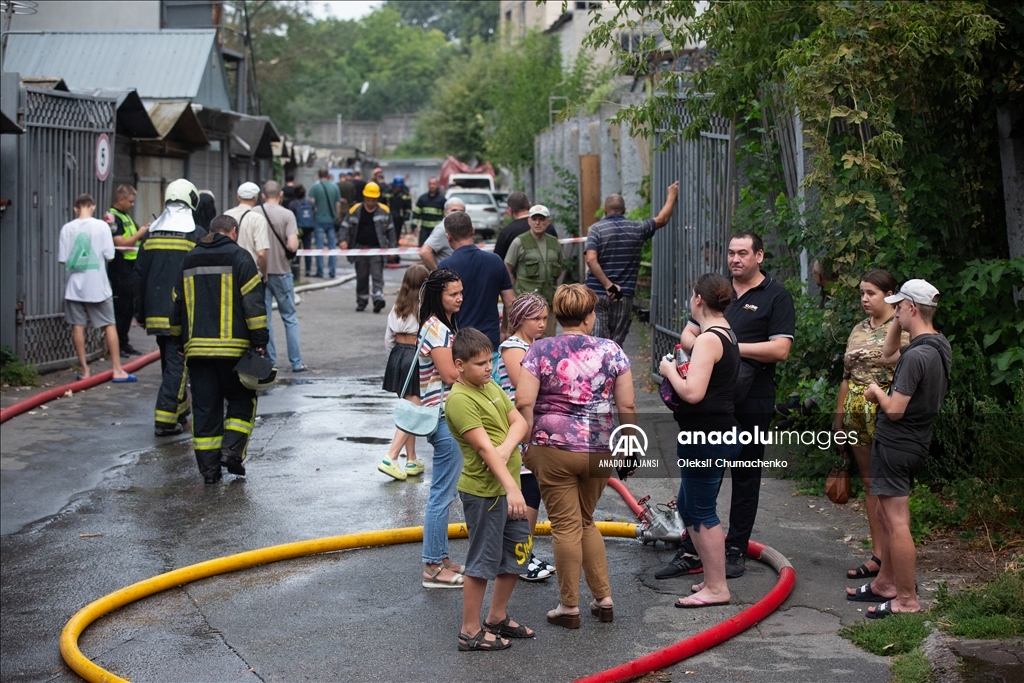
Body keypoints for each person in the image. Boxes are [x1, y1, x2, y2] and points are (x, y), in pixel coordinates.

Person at [661, 231, 795, 580]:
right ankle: (691, 550)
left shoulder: (776, 296)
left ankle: (735, 548)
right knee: (702, 476)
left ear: (759, 256)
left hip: (753, 398)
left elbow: (780, 349)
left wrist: (725, 346)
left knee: (745, 473)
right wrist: (718, 347)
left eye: (743, 253)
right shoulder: (719, 290)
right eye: (732, 253)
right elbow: (688, 335)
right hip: (714, 396)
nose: (735, 259)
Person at [515, 284, 636, 628]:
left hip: (553, 448)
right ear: (589, 316)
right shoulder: (611, 350)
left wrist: (525, 444)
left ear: (559, 315)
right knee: (584, 520)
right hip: (599, 448)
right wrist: (630, 449)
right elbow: (627, 405)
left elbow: (523, 402)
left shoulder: (540, 349)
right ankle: (604, 599)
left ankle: (569, 607)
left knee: (566, 525)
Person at [847, 279, 950, 619]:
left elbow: (894, 409)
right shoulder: (937, 344)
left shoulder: (917, 356)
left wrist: (875, 391)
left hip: (897, 443)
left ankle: (906, 598)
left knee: (896, 521)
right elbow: (888, 354)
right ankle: (885, 583)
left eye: (900, 307)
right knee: (883, 514)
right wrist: (897, 321)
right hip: (912, 442)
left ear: (913, 308)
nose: (895, 313)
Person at [446, 327, 534, 651]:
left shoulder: (489, 384)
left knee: (519, 550)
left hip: (507, 485)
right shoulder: (460, 400)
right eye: (480, 363)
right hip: (486, 492)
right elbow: (484, 449)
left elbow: (520, 423)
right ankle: (469, 632)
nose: (489, 368)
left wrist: (505, 450)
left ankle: (496, 618)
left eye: (490, 361)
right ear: (459, 365)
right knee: (483, 560)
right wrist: (512, 489)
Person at [657, 274, 741, 608]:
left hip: (708, 435)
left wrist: (668, 371)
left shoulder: (708, 339)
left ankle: (718, 588)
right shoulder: (725, 332)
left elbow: (693, 392)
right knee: (689, 506)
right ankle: (711, 578)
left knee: (702, 509)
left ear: (698, 300)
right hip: (711, 432)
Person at [170, 214, 269, 484]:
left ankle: (209, 472)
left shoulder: (189, 259)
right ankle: (232, 450)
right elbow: (253, 304)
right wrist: (260, 340)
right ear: (233, 232)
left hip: (198, 352)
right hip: (234, 352)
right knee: (242, 399)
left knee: (205, 409)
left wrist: (179, 341)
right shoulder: (240, 257)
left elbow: (177, 305)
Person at [834, 269, 908, 580]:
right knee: (869, 484)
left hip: (886, 412)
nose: (864, 298)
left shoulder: (902, 328)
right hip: (856, 414)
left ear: (890, 295)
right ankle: (878, 555)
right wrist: (838, 420)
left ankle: (896, 563)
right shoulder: (858, 329)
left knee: (889, 487)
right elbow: (847, 377)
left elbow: (910, 374)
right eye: (862, 293)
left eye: (871, 293)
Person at [135, 179, 207, 435]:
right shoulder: (196, 234)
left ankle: (180, 410)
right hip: (183, 313)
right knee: (178, 364)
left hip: (155, 312)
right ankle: (165, 419)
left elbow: (139, 274)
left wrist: (139, 312)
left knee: (170, 362)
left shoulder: (150, 234)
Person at [498, 293, 555, 582]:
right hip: (517, 428)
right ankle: (520, 557)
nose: (542, 324)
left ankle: (524, 553)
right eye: (536, 319)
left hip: (530, 426)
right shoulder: (513, 347)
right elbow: (524, 388)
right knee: (527, 491)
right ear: (520, 319)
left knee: (532, 491)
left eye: (545, 318)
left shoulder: (534, 346)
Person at [417, 268, 466, 588]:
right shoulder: (435, 328)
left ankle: (441, 558)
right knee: (442, 494)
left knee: (444, 492)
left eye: (461, 292)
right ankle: (433, 566)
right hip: (443, 416)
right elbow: (449, 374)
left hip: (446, 416)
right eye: (453, 294)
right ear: (438, 295)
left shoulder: (443, 326)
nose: (459, 298)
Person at [585, 182, 680, 344]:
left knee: (597, 341)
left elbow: (590, 259)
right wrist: (672, 195)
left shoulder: (596, 229)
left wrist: (608, 285)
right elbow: (662, 219)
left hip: (596, 293)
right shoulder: (637, 228)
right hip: (623, 295)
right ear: (624, 210)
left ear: (605, 210)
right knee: (616, 342)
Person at [58, 194, 135, 383]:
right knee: (109, 324)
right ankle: (117, 370)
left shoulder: (67, 228)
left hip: (74, 288)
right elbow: (110, 255)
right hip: (98, 286)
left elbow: (63, 259)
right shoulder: (102, 226)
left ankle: (85, 371)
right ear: (93, 207)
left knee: (78, 326)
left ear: (76, 209)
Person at [437, 211, 515, 359]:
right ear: (472, 230)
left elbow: (440, 308)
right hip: (490, 340)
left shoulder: (445, 266)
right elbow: (510, 302)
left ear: (448, 236)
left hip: (460, 344)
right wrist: (505, 329)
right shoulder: (495, 261)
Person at [378, 264, 430, 481]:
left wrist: (393, 359)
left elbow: (388, 338)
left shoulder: (397, 307)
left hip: (397, 355)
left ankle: (411, 458)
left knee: (407, 407)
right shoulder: (426, 309)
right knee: (413, 410)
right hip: (415, 356)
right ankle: (391, 457)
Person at [259, 180, 306, 373]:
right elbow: (293, 246)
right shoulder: (287, 214)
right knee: (290, 318)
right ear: (280, 195)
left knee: (265, 319)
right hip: (282, 272)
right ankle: (296, 362)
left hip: (260, 273)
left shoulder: (254, 213)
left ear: (263, 195)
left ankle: (270, 362)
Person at [504, 204, 563, 337]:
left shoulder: (554, 243)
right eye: (534, 219)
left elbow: (560, 267)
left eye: (541, 219)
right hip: (527, 303)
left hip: (549, 301)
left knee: (547, 339)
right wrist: (514, 292)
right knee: (525, 338)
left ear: (548, 221)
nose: (537, 223)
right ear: (529, 221)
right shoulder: (519, 242)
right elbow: (507, 268)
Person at [340, 181, 396, 313]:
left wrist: (392, 248)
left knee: (377, 275)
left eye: (373, 200)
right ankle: (362, 300)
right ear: (364, 198)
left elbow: (391, 231)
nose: (371, 202)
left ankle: (378, 299)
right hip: (360, 249)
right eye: (368, 199)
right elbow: (344, 226)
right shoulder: (355, 210)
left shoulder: (384, 211)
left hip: (377, 249)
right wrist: (342, 240)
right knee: (362, 276)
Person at [106, 184, 149, 357]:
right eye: (130, 201)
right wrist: (140, 233)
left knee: (128, 308)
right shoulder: (112, 217)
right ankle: (117, 345)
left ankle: (124, 342)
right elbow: (120, 243)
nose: (132, 204)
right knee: (121, 308)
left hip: (130, 268)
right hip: (120, 268)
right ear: (121, 199)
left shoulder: (125, 216)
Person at [223, 182, 269, 280]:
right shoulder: (258, 219)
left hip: (229, 271)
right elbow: (261, 254)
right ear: (255, 198)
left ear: (238, 197)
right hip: (250, 273)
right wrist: (264, 274)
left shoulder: (226, 215)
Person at [493, 192, 556, 262]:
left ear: (510, 210)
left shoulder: (507, 232)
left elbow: (497, 261)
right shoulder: (547, 226)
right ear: (529, 205)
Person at [309, 168, 342, 279]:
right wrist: (337, 217)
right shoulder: (334, 187)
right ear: (328, 175)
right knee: (332, 246)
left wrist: (314, 214)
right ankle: (332, 271)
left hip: (319, 219)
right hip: (331, 220)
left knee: (319, 247)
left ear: (319, 175)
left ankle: (320, 271)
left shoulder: (315, 187)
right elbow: (338, 204)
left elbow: (312, 203)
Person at [419, 197, 465, 271]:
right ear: (445, 212)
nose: (457, 214)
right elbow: (424, 252)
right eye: (454, 210)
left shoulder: (459, 228)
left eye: (461, 211)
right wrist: (438, 272)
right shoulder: (442, 229)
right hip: (447, 275)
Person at [290, 185, 316, 277]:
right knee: (307, 249)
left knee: (297, 249)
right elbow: (314, 212)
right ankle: (308, 270)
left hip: (298, 229)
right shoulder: (310, 203)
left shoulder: (293, 204)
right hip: (308, 228)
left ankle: (296, 269)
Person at [412, 176, 446, 247]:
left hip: (437, 231)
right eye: (430, 184)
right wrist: (414, 226)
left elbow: (446, 215)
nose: (432, 186)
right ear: (428, 185)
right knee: (422, 248)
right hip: (425, 230)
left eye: (434, 184)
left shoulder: (442, 200)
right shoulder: (422, 199)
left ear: (437, 185)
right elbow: (416, 213)